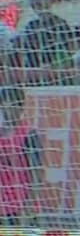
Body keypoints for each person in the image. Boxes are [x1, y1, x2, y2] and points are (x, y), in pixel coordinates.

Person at [0, 86, 41, 225]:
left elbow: (37, 173)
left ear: (21, 107)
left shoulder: (28, 134)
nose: (8, 110)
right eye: (4, 106)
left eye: (14, 105)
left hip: (18, 205)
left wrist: (28, 207)